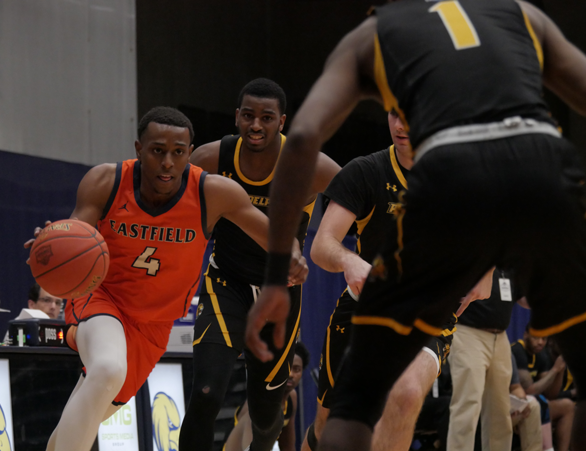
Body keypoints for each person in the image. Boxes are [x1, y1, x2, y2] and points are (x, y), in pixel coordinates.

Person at [245, 1, 586, 450]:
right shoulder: (521, 12)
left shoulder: (375, 33)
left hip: (456, 182)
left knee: (388, 398)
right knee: (335, 419)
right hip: (551, 173)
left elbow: (303, 138)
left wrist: (274, 280)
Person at [23, 106, 307, 451]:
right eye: (158, 151)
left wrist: (291, 256)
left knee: (89, 413)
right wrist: (52, 245)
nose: (168, 162)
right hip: (102, 298)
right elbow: (75, 235)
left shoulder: (212, 192)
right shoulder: (105, 182)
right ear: (139, 149)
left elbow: (278, 237)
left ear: (191, 153)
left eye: (178, 152)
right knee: (109, 368)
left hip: (154, 325)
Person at [303, 111, 491, 451]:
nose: (401, 125)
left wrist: (488, 272)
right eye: (393, 113)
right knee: (327, 427)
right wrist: (349, 261)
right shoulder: (366, 171)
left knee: (405, 393)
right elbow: (322, 245)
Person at [180, 78, 340, 451]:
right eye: (248, 116)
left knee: (268, 414)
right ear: (236, 117)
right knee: (205, 394)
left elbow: (360, 193)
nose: (256, 125)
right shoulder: (211, 158)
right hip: (226, 284)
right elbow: (164, 196)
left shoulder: (306, 163)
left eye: (266, 118)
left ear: (281, 122)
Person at [447, 270, 528, 451]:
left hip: (500, 338)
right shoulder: (478, 246)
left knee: (501, 413)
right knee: (467, 406)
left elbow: (523, 297)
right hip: (468, 332)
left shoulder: (509, 260)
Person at [224, 341, 310, 451]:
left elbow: (287, 445)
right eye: (287, 368)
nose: (291, 374)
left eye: (297, 369)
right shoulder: (260, 402)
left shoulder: (292, 397)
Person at [512, 328, 575, 451]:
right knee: (537, 402)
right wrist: (555, 370)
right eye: (536, 338)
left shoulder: (541, 354)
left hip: (536, 403)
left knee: (568, 406)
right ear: (525, 335)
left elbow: (551, 394)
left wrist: (560, 370)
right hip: (516, 406)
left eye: (544, 339)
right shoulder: (517, 350)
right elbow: (528, 391)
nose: (540, 342)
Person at [510, 352, 545, 451]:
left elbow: (515, 387)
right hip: (484, 407)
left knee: (532, 405)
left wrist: (521, 401)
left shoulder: (506, 352)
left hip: (504, 404)